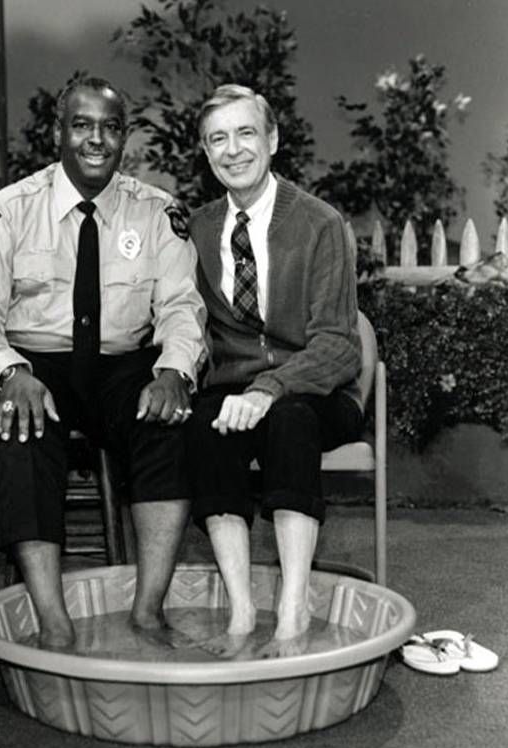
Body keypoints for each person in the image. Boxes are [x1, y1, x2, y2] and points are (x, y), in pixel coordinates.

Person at [0, 76, 206, 651]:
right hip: (36, 364)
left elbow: (183, 308)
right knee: (22, 429)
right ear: (58, 132)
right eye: (83, 125)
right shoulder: (10, 210)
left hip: (121, 364)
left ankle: (147, 611)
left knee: (168, 423)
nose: (97, 140)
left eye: (110, 127)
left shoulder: (157, 213)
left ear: (124, 137)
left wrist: (174, 371)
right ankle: (53, 620)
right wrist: (11, 373)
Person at [186, 85, 364, 659]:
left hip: (317, 392)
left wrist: (270, 386)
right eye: (218, 138)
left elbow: (339, 345)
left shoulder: (319, 223)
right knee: (205, 425)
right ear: (205, 152)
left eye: (245, 134)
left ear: (272, 140)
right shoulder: (196, 229)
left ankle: (293, 608)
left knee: (288, 421)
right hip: (236, 392)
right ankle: (240, 611)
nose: (233, 150)